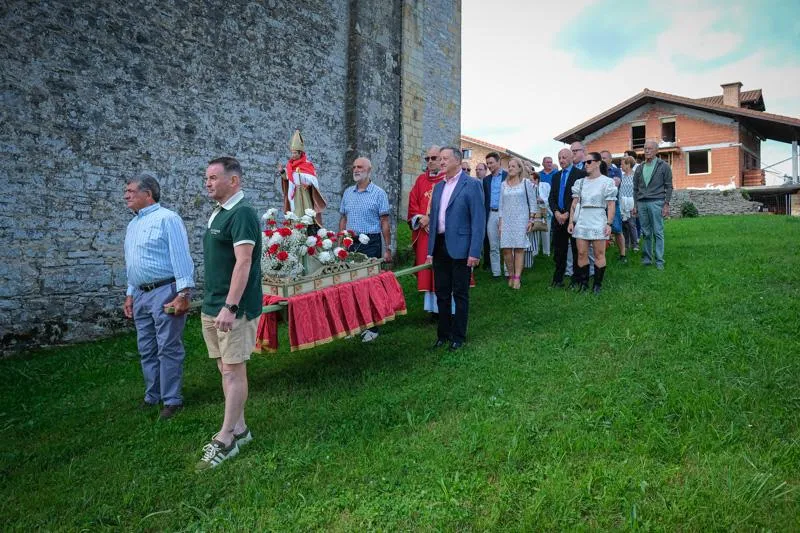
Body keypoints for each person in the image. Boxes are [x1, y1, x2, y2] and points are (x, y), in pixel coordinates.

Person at [196, 156, 262, 471]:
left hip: (232, 308)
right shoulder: (219, 213)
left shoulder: (243, 213)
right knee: (225, 370)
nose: (207, 183)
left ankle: (225, 439)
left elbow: (244, 262)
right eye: (206, 178)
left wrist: (231, 306)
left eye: (212, 178)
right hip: (212, 305)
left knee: (234, 371)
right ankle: (240, 428)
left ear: (233, 180)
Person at [123, 174, 194, 420]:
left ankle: (172, 400)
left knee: (168, 347)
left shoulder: (168, 219)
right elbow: (133, 264)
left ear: (148, 194)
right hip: (141, 294)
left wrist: (184, 293)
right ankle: (152, 396)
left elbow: (181, 257)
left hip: (165, 291)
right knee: (147, 348)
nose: (126, 195)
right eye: (127, 191)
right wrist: (130, 294)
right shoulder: (133, 225)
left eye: (131, 191)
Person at [426, 147, 485, 351]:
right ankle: (443, 334)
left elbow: (478, 220)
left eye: (445, 158)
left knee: (460, 293)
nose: (441, 162)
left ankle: (458, 337)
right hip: (440, 246)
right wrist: (430, 250)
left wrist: (474, 252)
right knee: (441, 293)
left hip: (461, 247)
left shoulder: (472, 184)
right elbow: (434, 220)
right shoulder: (439, 187)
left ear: (458, 161)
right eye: (440, 159)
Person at [340, 156, 393, 342]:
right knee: (349, 284)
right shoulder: (348, 193)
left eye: (360, 166)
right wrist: (341, 241)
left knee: (368, 284)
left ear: (369, 170)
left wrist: (388, 248)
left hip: (371, 242)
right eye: (354, 166)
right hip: (350, 241)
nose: (356, 169)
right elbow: (344, 218)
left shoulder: (378, 193)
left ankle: (373, 327)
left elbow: (384, 222)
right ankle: (354, 325)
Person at [568, 152, 617, 293]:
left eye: (589, 162)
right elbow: (574, 204)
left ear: (598, 163)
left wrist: (609, 223)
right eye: (585, 162)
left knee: (599, 254)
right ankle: (584, 284)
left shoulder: (607, 182)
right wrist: (571, 222)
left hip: (598, 219)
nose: (586, 165)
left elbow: (611, 205)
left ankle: (597, 285)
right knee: (582, 253)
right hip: (582, 219)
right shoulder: (580, 182)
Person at [408, 145, 446, 318]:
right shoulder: (420, 181)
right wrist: (420, 220)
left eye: (434, 158)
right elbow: (413, 203)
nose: (430, 161)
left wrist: (431, 218)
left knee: (443, 268)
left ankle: (445, 306)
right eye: (427, 159)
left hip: (443, 233)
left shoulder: (447, 180)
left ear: (441, 159)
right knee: (428, 268)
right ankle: (433, 309)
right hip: (425, 233)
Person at [632, 140, 673, 270]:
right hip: (642, 203)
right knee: (646, 233)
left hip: (657, 202)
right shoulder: (639, 167)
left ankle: (660, 261)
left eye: (650, 148)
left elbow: (669, 186)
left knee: (658, 232)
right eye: (645, 149)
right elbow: (635, 188)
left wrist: (666, 204)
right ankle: (647, 260)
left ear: (656, 151)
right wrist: (635, 205)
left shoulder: (664, 166)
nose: (647, 151)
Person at [498, 158, 537, 289]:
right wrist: (501, 222)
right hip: (507, 220)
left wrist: (531, 220)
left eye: (513, 166)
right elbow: (501, 205)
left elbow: (532, 202)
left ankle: (517, 278)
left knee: (519, 249)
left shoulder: (526, 183)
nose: (510, 168)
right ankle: (510, 274)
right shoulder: (504, 184)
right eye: (509, 166)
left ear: (520, 168)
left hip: (521, 219)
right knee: (506, 250)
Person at [548, 148, 584, 287]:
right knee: (559, 251)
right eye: (559, 158)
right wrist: (556, 212)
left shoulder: (580, 174)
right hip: (558, 218)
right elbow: (552, 197)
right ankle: (558, 279)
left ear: (571, 158)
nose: (561, 160)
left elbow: (579, 197)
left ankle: (576, 279)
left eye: (564, 157)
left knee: (576, 249)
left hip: (573, 218)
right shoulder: (556, 176)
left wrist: (569, 214)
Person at [280, 129, 327, 226]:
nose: (293, 155)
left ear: (300, 153)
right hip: (294, 193)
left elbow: (313, 179)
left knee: (307, 212)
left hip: (305, 192)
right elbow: (287, 177)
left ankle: (308, 228)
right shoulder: (290, 165)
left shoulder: (308, 164)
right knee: (296, 212)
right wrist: (282, 171)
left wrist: (308, 184)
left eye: (295, 153)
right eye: (292, 153)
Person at [482, 152, 507, 278]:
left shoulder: (508, 176)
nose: (489, 165)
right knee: (493, 245)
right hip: (491, 214)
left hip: (506, 214)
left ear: (498, 162)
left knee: (507, 244)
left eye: (491, 163)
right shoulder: (486, 180)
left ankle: (508, 272)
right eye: (487, 164)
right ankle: (496, 272)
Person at [601, 150, 627, 263]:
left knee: (617, 230)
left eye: (605, 158)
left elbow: (615, 184)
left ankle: (622, 255)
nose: (602, 160)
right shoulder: (597, 171)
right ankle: (601, 255)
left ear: (611, 159)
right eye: (600, 158)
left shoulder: (616, 170)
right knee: (600, 230)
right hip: (600, 205)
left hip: (613, 205)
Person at [619, 156, 639, 253]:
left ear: (628, 165)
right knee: (624, 225)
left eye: (622, 164)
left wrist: (636, 205)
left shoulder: (635, 176)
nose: (621, 166)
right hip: (622, 204)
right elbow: (620, 191)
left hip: (631, 203)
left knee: (632, 224)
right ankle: (626, 244)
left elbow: (637, 191)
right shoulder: (622, 177)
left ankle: (635, 244)